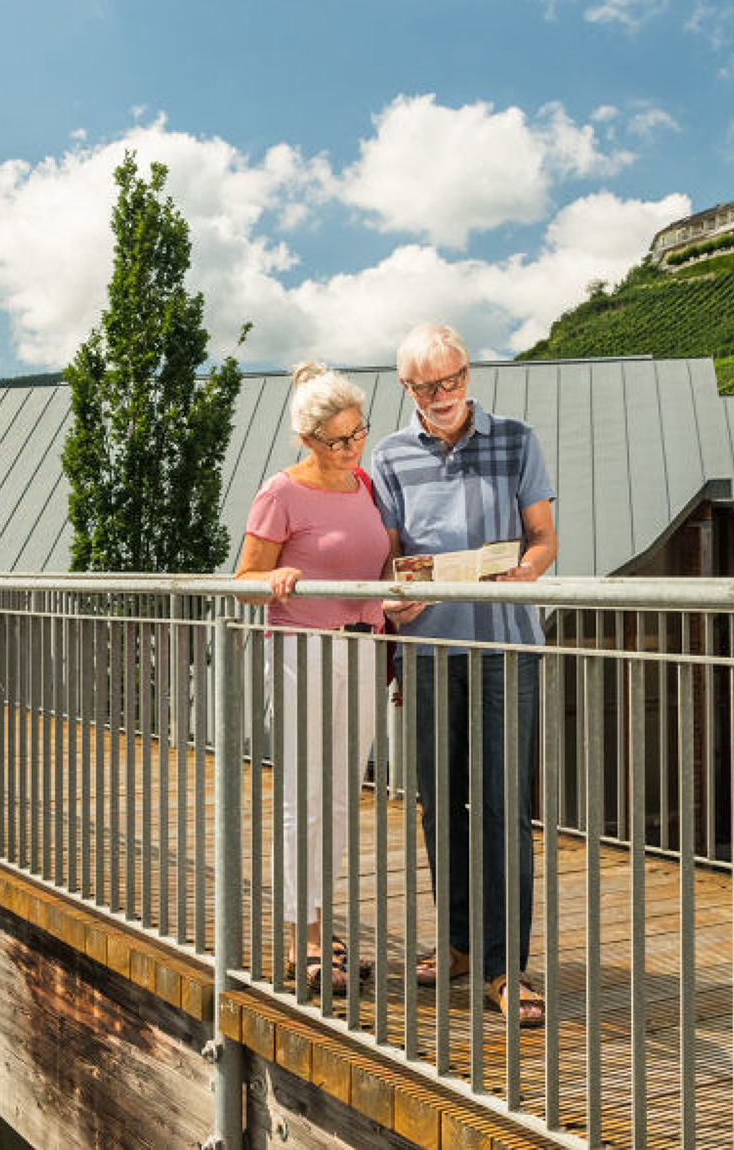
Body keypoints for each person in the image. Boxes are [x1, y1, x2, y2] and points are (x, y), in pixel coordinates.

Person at [368, 323, 556, 1026]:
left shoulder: (517, 440)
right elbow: (388, 560)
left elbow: (543, 539)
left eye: (451, 381)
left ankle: (508, 967)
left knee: (503, 807)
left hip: (506, 648)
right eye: (425, 387)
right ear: (406, 389)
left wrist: (525, 572)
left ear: (468, 373)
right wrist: (396, 590)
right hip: (426, 650)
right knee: (438, 803)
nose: (442, 396)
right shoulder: (388, 457)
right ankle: (459, 945)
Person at [234, 361, 412, 992]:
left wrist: (398, 598)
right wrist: (276, 579)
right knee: (303, 798)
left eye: (358, 432)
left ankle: (320, 926)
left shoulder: (365, 484)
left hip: (364, 649)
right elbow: (245, 580)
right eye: (338, 439)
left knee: (340, 795)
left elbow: (379, 565)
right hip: (302, 651)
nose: (352, 447)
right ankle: (301, 939)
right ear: (306, 441)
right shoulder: (280, 492)